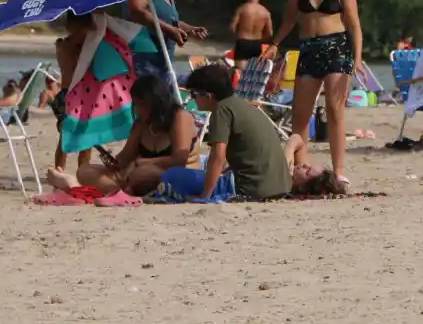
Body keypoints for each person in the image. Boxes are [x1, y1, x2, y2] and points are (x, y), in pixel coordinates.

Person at [267, 0, 363, 186]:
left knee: (334, 109)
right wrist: (275, 44)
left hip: (337, 47)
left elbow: (354, 26)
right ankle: (302, 168)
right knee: (301, 114)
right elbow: (290, 18)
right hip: (308, 48)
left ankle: (339, 169)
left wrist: (358, 58)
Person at [48, 74, 199, 197]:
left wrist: (143, 162)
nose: (138, 109)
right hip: (139, 176)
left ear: (155, 102)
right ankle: (119, 193)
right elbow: (126, 157)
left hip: (179, 175)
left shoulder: (179, 117)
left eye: (141, 104)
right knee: (84, 171)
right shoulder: (142, 124)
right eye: (136, 104)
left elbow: (179, 160)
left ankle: (110, 191)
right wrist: (114, 162)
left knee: (139, 173)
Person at [173, 62, 291, 200]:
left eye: (194, 94)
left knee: (174, 175)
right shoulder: (242, 105)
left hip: (251, 190)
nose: (193, 98)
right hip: (280, 187)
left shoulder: (222, 110)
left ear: (208, 96)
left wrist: (205, 195)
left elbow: (217, 157)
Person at [124, 0, 208, 78]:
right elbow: (137, 11)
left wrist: (190, 29)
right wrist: (168, 30)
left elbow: (171, 21)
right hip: (143, 62)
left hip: (165, 64)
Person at [48, 13, 96, 183]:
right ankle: (59, 174)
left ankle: (83, 175)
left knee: (86, 140)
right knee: (66, 139)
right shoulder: (68, 46)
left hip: (79, 96)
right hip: (69, 96)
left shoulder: (75, 46)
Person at [229, 0, 274, 69]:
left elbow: (232, 27)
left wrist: (236, 38)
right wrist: (261, 39)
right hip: (256, 44)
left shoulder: (242, 8)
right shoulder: (265, 12)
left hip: (243, 42)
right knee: (252, 73)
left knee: (240, 71)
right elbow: (270, 33)